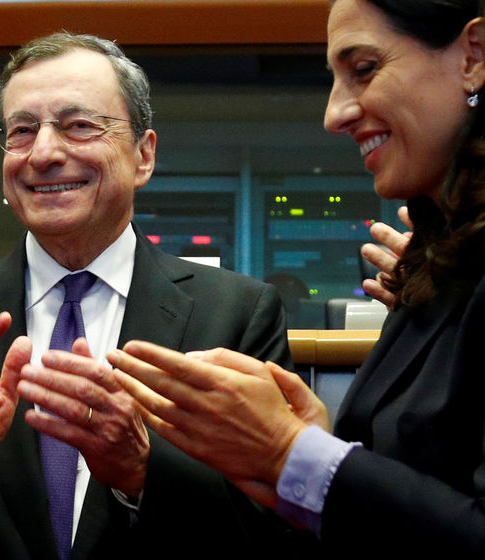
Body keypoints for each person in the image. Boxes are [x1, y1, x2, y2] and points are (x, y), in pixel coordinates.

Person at [0, 32, 296, 559]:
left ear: (143, 156)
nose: (43, 153)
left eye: (79, 126)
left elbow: (276, 535)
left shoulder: (237, 315)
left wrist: (140, 473)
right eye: (22, 131)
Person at [108, 0, 485, 556]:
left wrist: (293, 452)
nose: (334, 113)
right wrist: (309, 448)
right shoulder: (437, 266)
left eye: (363, 69)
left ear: (473, 57)